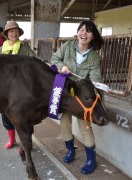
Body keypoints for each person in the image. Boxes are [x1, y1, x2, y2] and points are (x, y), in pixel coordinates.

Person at [50, 20, 104, 174]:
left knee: (85, 127)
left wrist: (91, 84)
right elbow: (54, 59)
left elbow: (95, 79)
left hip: (82, 98)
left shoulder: (93, 56)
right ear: (77, 32)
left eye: (88, 31)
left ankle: (91, 160)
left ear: (93, 36)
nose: (83, 34)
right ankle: (70, 151)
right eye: (81, 30)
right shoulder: (67, 46)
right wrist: (62, 67)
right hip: (65, 93)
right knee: (65, 123)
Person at [0, 19, 43, 149]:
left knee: (26, 114)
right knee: (6, 113)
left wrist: (47, 65)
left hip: (24, 87)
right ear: (6, 33)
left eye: (16, 31)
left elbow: (36, 60)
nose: (14, 33)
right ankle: (11, 139)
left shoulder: (24, 48)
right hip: (6, 88)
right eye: (11, 31)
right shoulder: (1, 50)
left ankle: (25, 141)